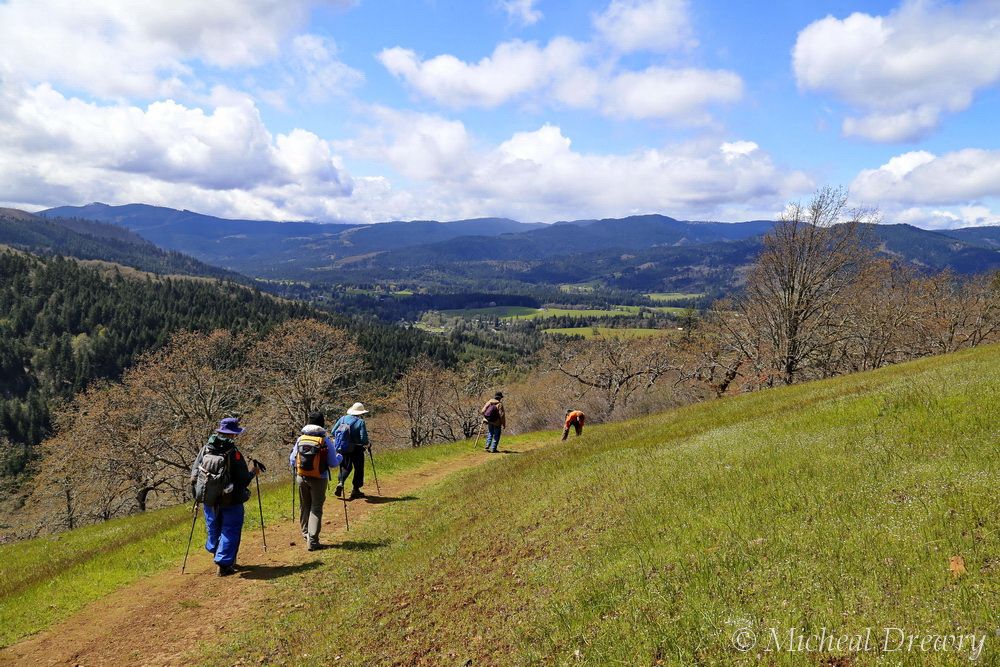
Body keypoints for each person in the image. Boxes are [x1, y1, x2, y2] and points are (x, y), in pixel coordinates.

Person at [190, 416, 259, 576]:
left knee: (213, 527)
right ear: (233, 434)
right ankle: (224, 563)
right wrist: (253, 473)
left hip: (209, 499)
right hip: (231, 500)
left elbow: (194, 472)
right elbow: (242, 480)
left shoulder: (205, 449)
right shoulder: (234, 453)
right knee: (231, 529)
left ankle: (215, 550)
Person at [289, 411, 342, 551]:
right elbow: (333, 463)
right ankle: (313, 541)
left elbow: (292, 459)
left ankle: (305, 533)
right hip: (319, 478)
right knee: (316, 508)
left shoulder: (301, 439)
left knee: (305, 506)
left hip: (301, 477)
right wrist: (340, 458)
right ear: (322, 423)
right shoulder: (325, 440)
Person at [334, 402, 370, 500]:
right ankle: (356, 489)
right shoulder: (360, 422)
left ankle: (340, 482)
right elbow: (363, 439)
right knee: (358, 468)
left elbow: (334, 431)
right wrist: (367, 444)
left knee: (345, 467)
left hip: (343, 448)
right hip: (357, 449)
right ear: (361, 412)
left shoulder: (343, 419)